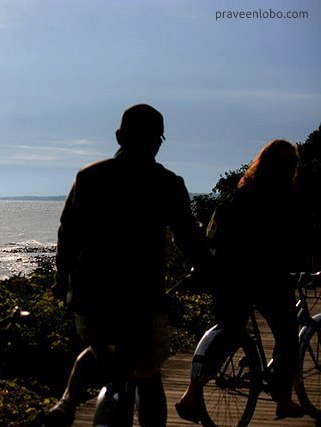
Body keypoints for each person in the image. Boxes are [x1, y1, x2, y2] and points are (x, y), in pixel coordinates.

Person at [46, 104, 207, 426]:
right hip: (143, 299)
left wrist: (61, 278)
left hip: (92, 296)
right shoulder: (168, 183)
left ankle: (68, 401)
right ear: (159, 141)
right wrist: (207, 269)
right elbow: (189, 238)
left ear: (120, 136)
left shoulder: (90, 176)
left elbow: (68, 233)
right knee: (148, 379)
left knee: (102, 353)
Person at [175, 139, 305, 422]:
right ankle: (283, 400)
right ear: (288, 167)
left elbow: (214, 235)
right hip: (268, 278)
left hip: (228, 277)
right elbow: (292, 243)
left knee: (228, 334)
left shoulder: (239, 195)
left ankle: (191, 394)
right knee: (287, 336)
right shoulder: (283, 198)